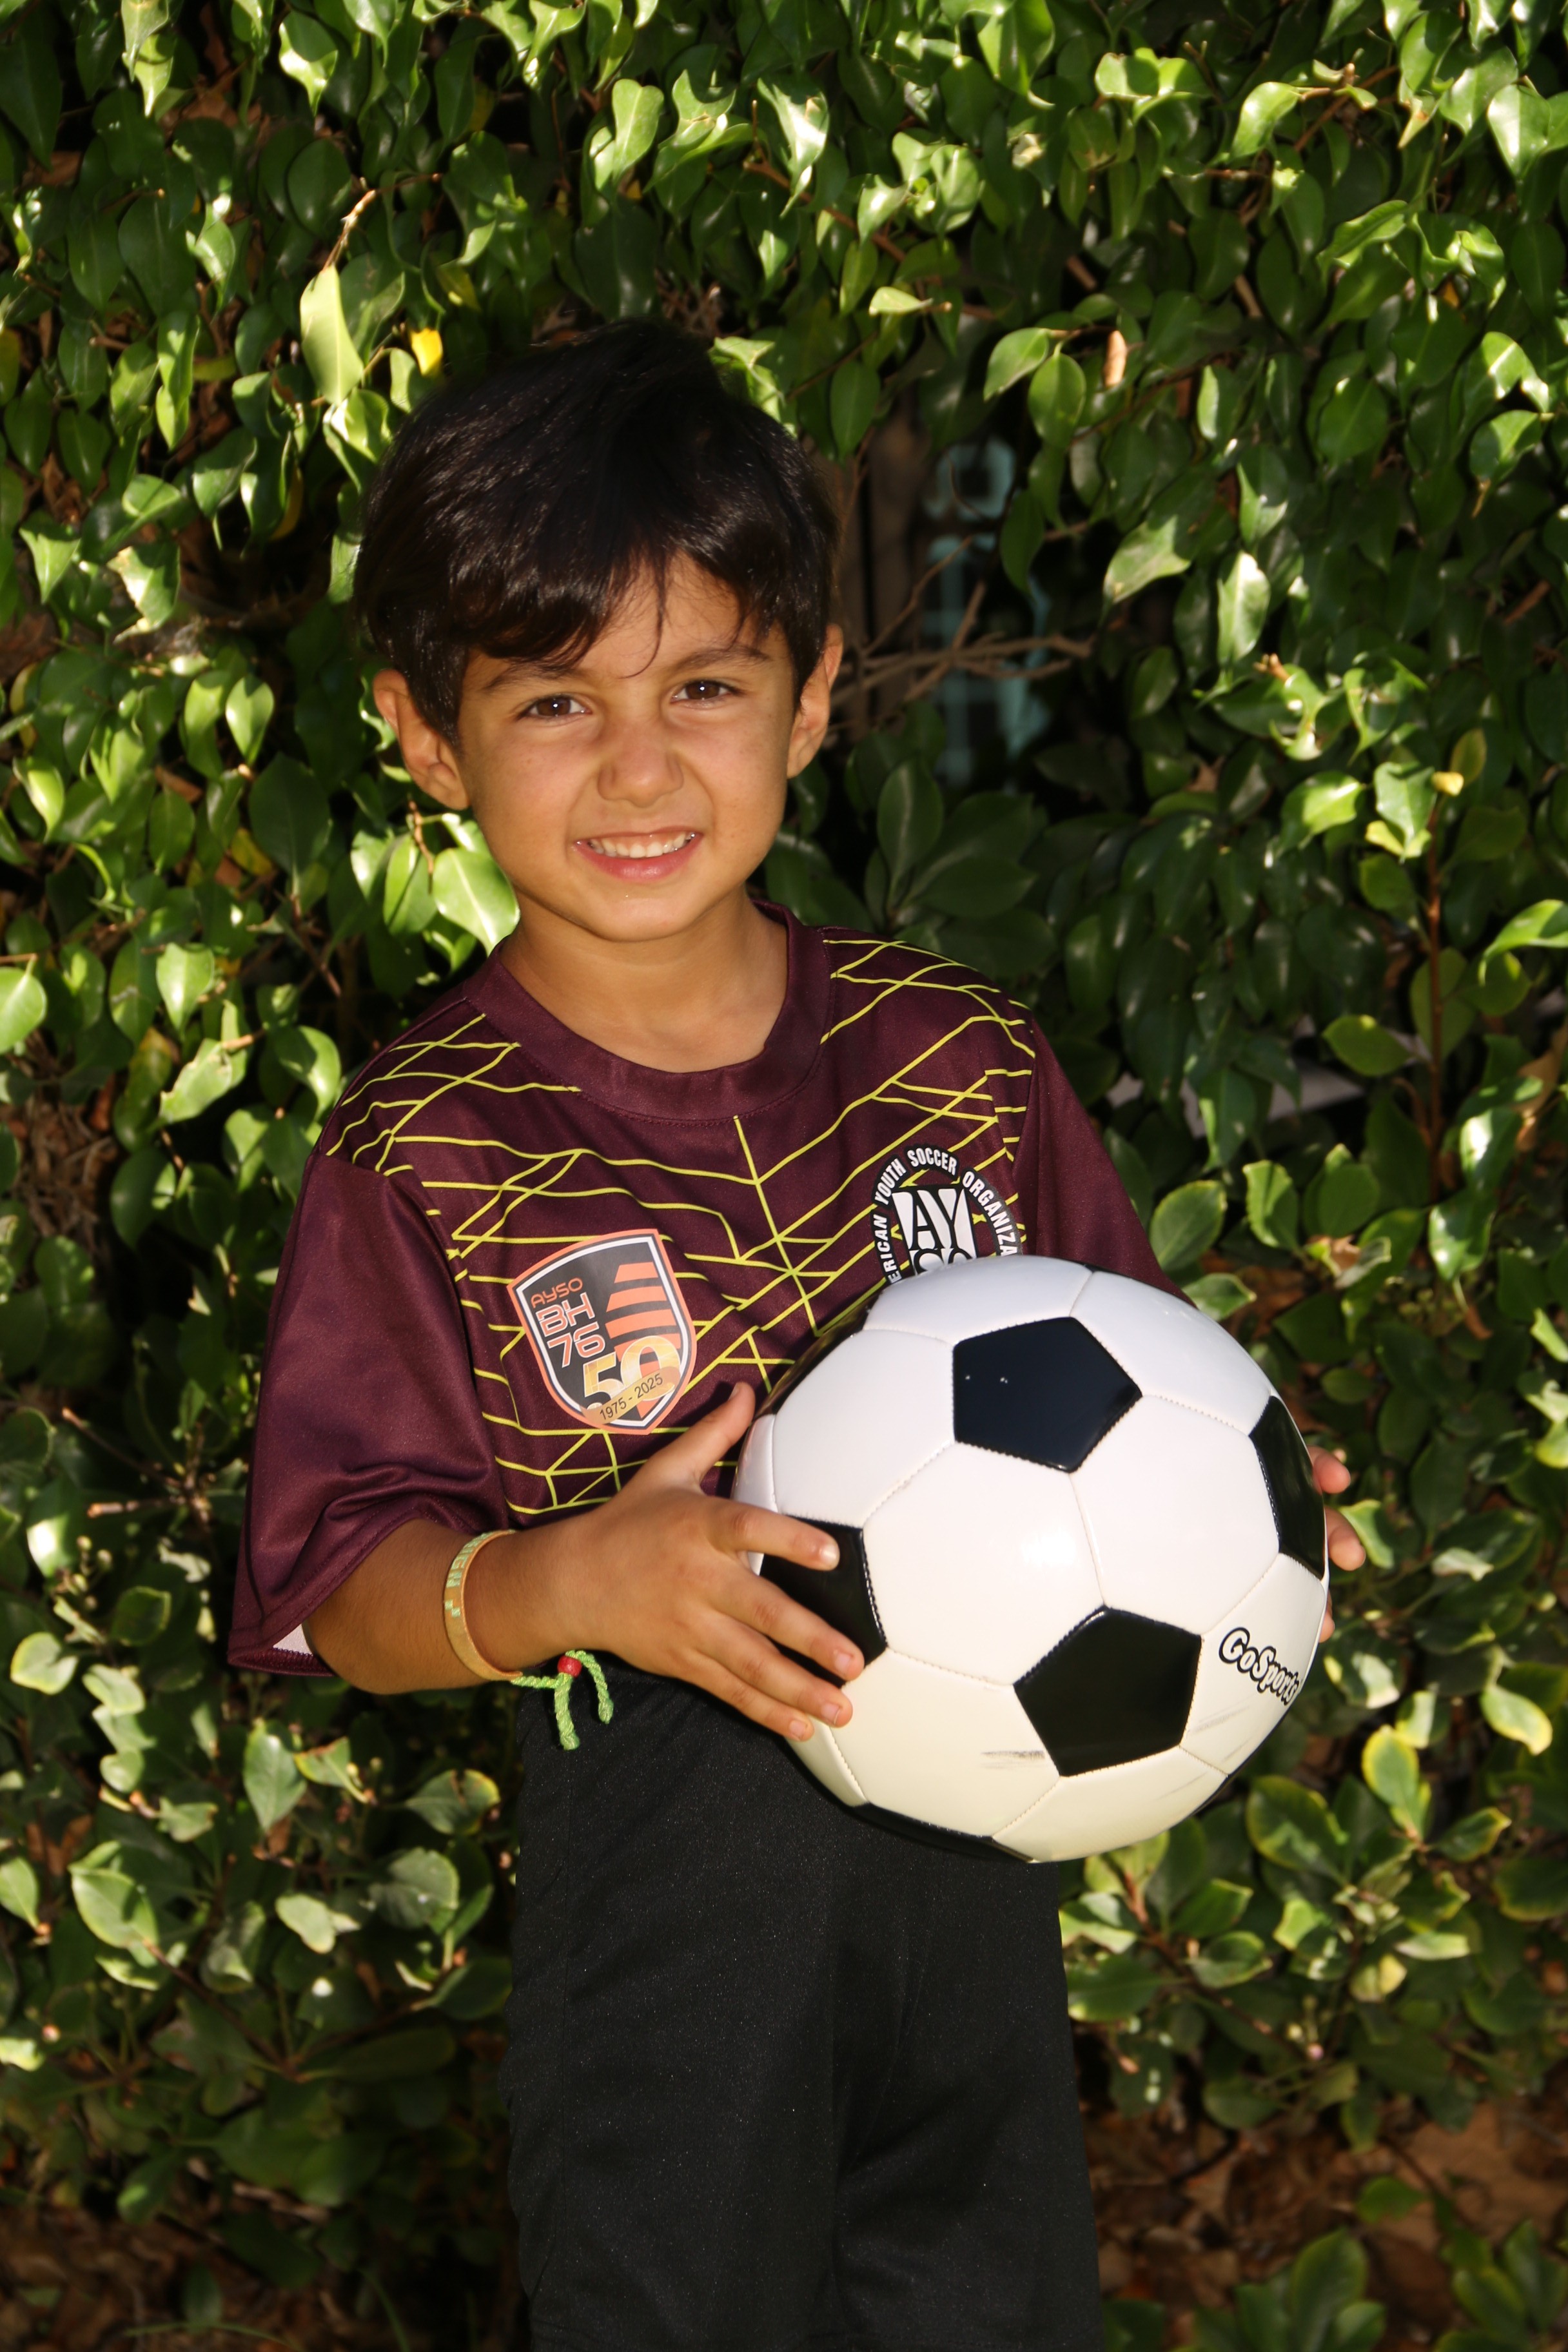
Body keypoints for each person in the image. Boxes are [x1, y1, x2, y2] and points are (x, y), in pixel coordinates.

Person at [231, 322, 1362, 2352]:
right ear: (423, 735)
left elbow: (1149, 1379)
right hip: (677, 1931)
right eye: (554, 700)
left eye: (706, 687)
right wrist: (564, 1582)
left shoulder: (960, 1057)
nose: (639, 767)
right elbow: (337, 1591)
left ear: (816, 694)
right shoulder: (423, 1147)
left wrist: (1255, 1512)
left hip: (979, 1894)